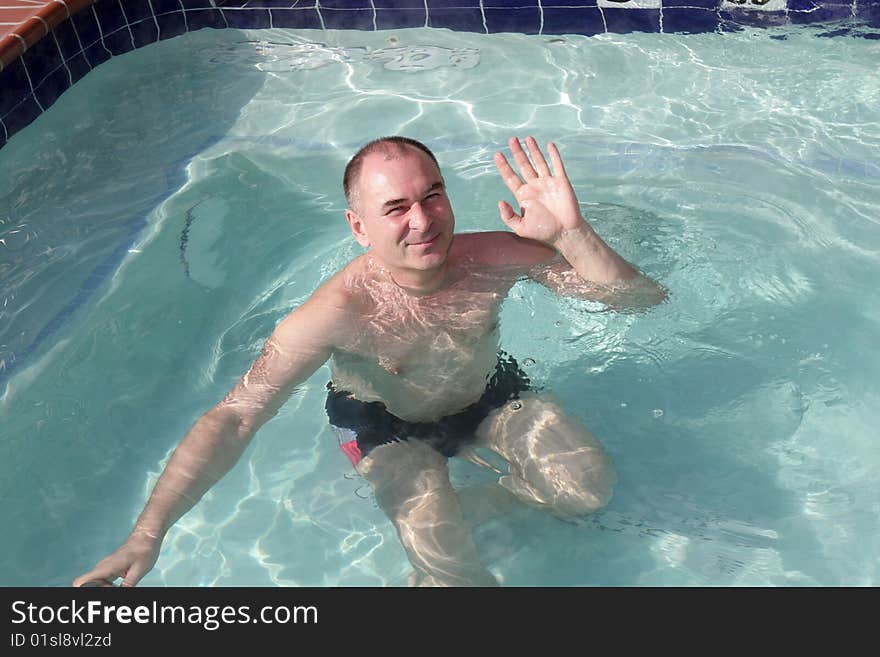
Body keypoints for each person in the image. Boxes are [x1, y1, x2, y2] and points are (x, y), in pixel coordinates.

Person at [73, 136, 666, 588]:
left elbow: (638, 303)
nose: (423, 219)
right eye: (396, 207)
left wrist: (572, 232)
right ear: (358, 226)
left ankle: (484, 501)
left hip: (490, 393)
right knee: (452, 568)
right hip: (386, 429)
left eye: (433, 194)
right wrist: (148, 534)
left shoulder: (493, 257)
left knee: (587, 491)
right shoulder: (331, 315)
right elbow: (234, 418)